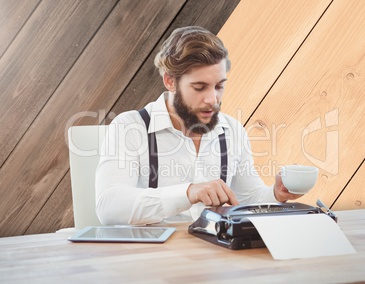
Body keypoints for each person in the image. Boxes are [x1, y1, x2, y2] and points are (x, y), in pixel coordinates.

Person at [95, 26, 303, 225]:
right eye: (199, 87)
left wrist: (275, 194)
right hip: (152, 256)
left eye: (219, 86)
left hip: (214, 253)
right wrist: (188, 192)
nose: (213, 99)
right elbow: (109, 207)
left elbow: (248, 199)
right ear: (170, 81)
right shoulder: (130, 127)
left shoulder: (232, 131)